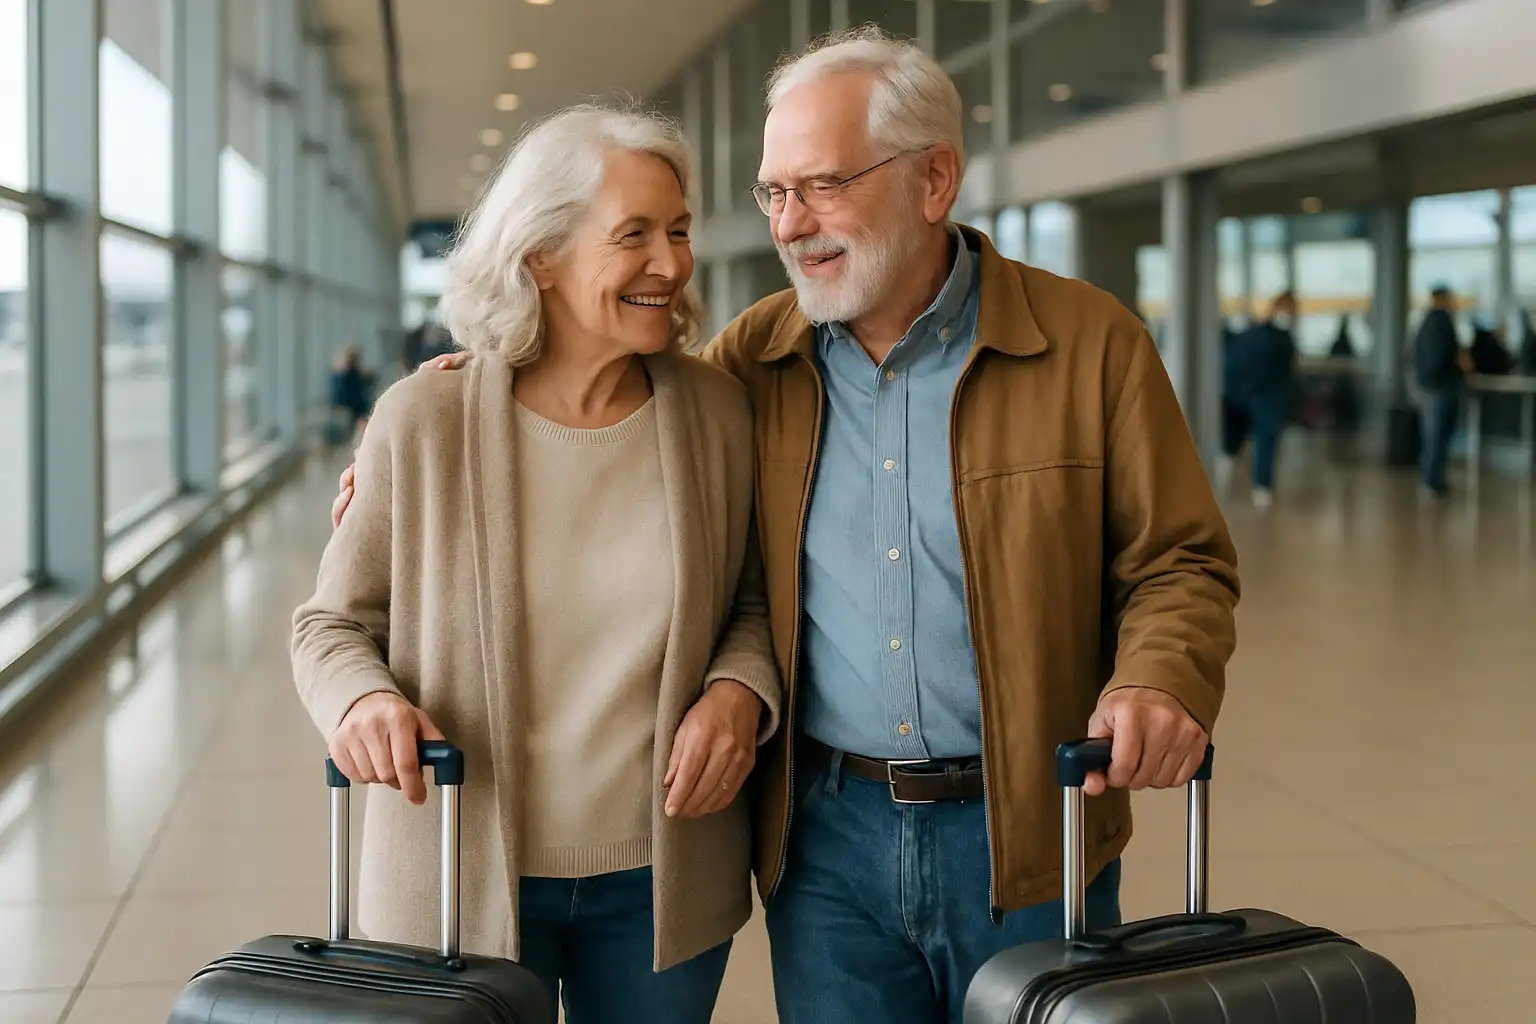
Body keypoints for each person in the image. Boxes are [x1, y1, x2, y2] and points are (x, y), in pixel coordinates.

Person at [335, 28, 1240, 1024]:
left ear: (935, 179)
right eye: (773, 192)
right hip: (826, 842)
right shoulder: (752, 366)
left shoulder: (1089, 345)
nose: (790, 224)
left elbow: (1182, 562)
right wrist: (423, 437)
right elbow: (604, 429)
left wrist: (1158, 678)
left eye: (823, 185)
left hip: (1030, 826)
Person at [295, 105, 781, 1024]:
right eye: (634, 235)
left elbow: (753, 603)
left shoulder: (717, 414)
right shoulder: (425, 420)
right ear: (540, 256)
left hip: (662, 876)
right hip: (458, 865)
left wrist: (736, 692)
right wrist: (359, 703)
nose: (671, 263)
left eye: (679, 231)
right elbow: (331, 624)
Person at [1218, 291, 1299, 507]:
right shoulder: (1278, 339)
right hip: (1263, 398)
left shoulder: (1251, 335)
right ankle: (1261, 489)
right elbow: (1287, 373)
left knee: (1236, 443)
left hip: (1244, 396)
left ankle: (1237, 482)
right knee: (1263, 442)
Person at [1411, 284, 1472, 496]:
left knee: (1431, 436)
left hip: (1429, 386)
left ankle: (1430, 479)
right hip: (1442, 387)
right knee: (1438, 436)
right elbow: (1446, 355)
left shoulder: (1425, 322)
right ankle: (1433, 482)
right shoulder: (1442, 322)